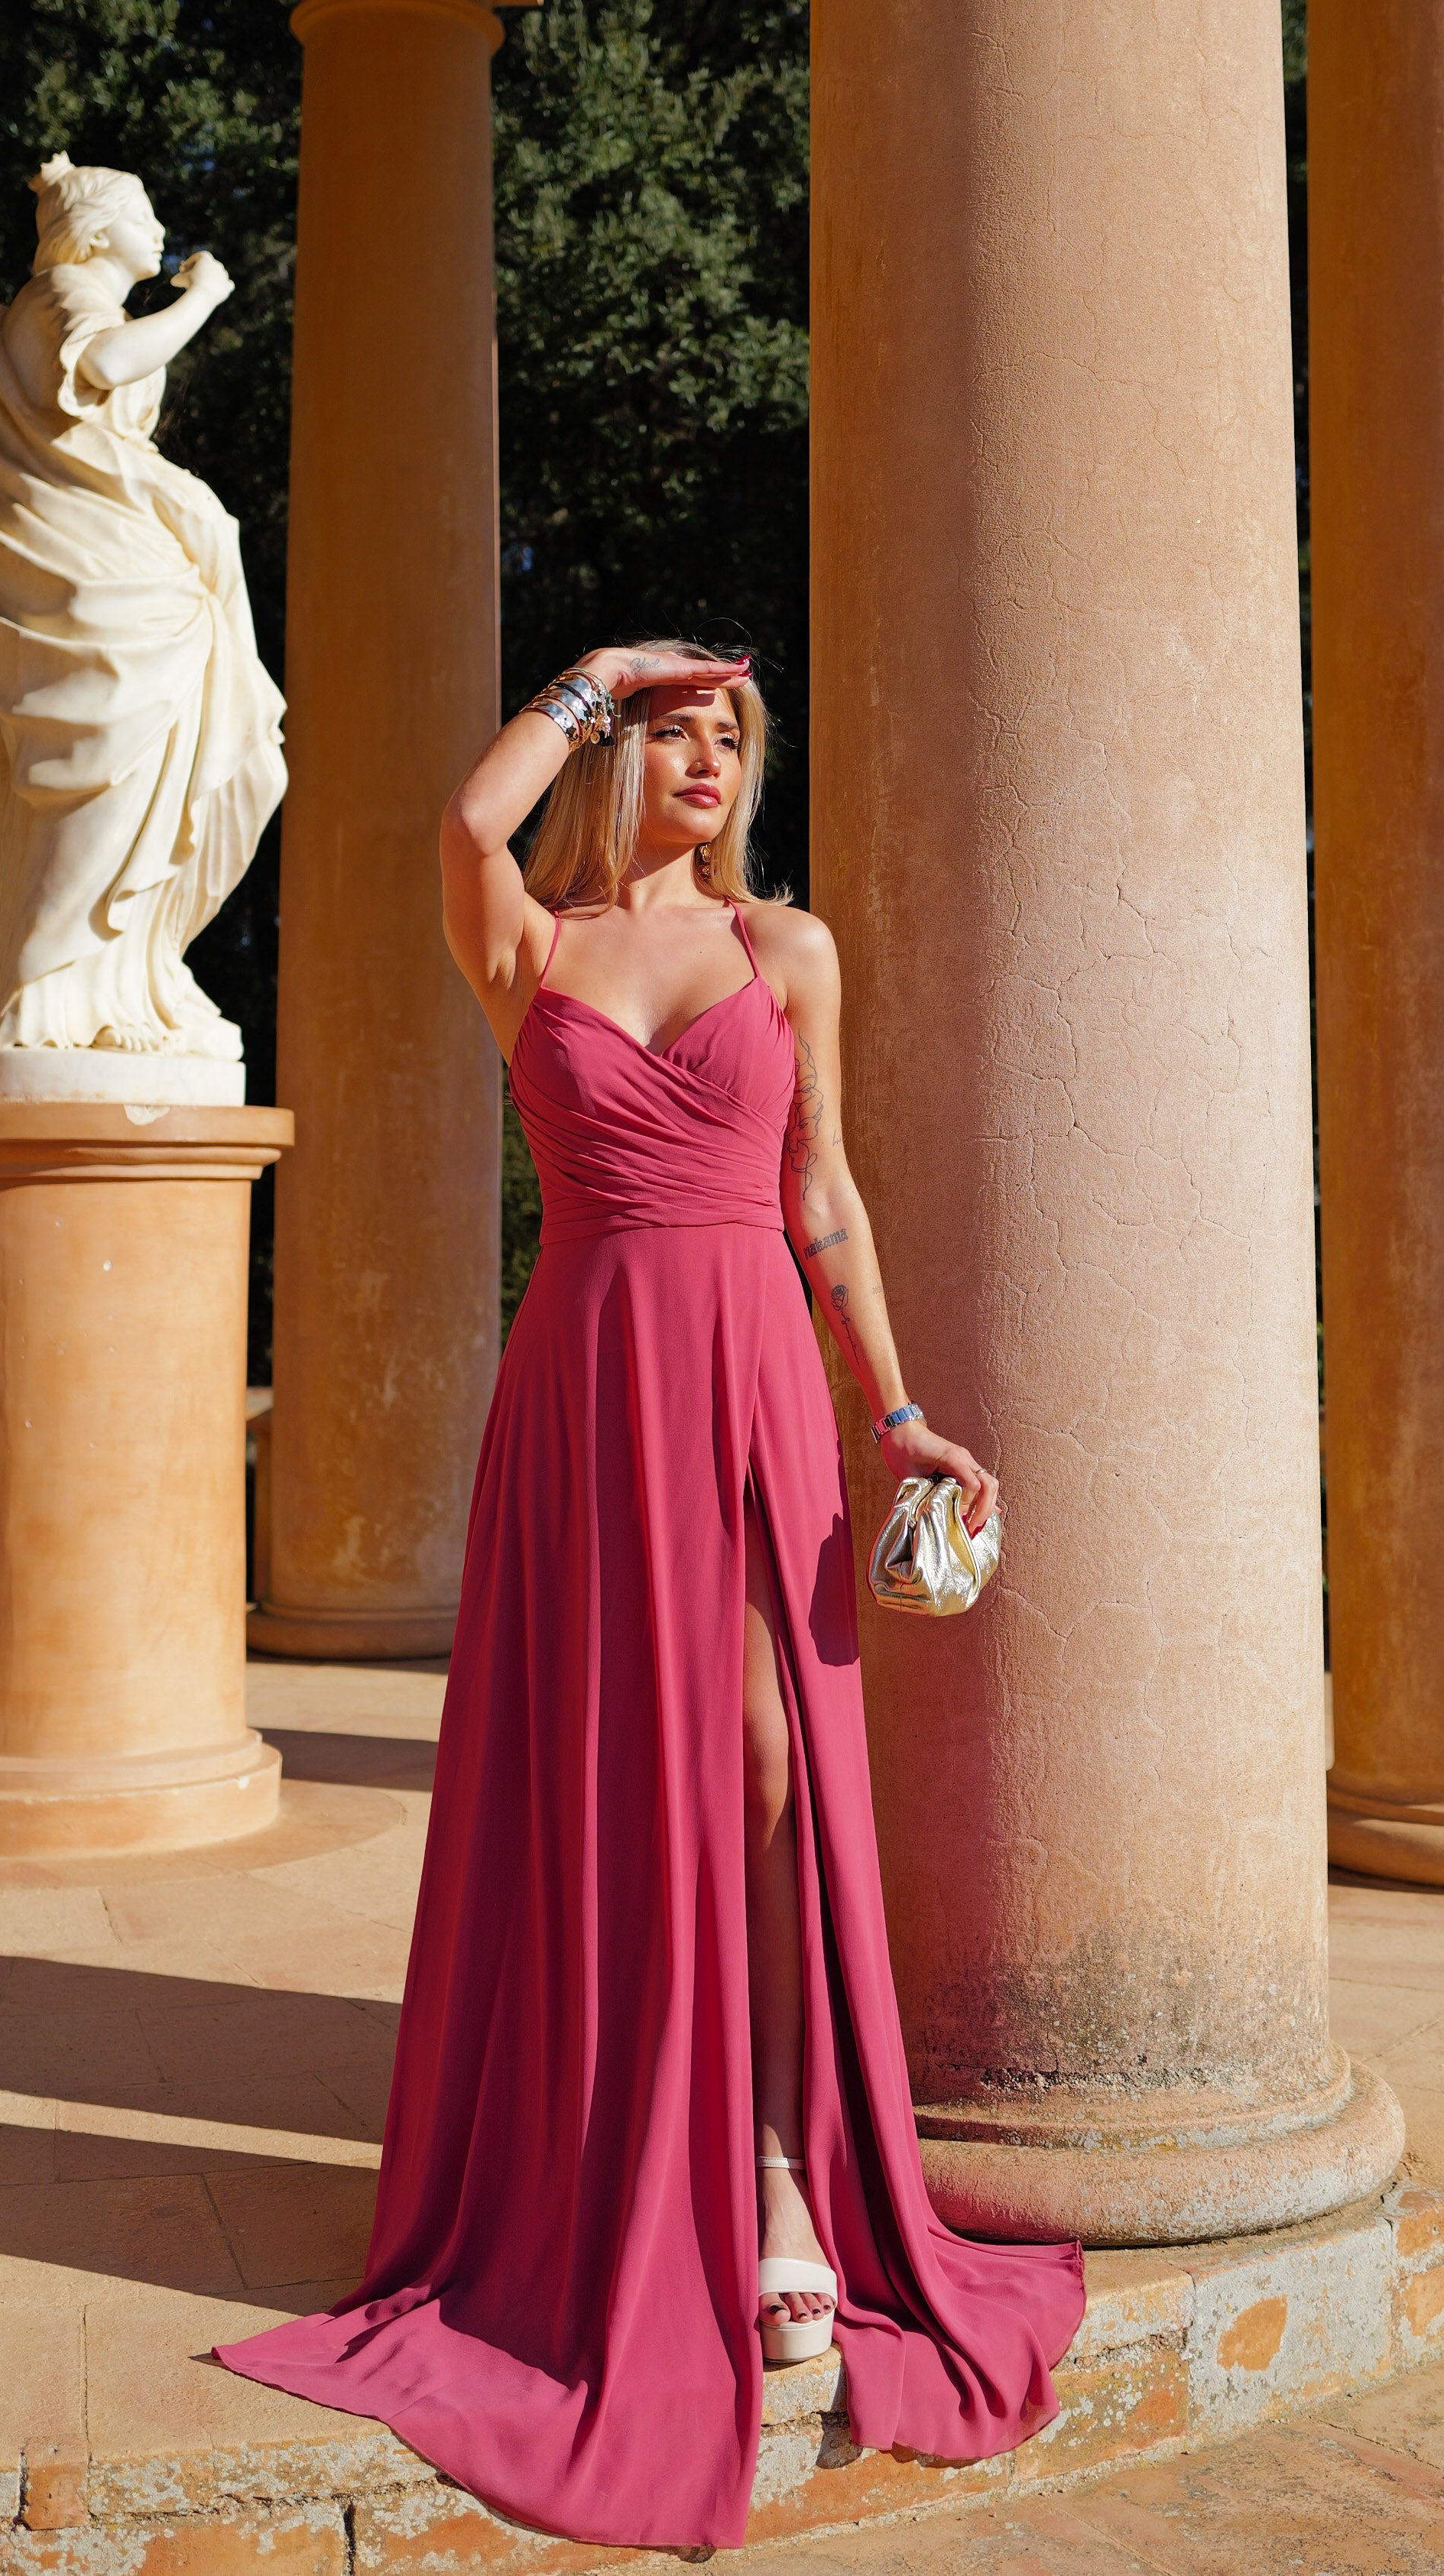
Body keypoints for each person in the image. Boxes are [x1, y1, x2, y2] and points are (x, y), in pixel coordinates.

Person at [216, 643, 1082, 2550]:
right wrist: (590, 680)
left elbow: (823, 1192)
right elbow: (457, 818)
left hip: (754, 1369)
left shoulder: (789, 950)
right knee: (612, 1778)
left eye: (727, 735)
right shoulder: (525, 945)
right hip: (587, 1386)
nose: (707, 756)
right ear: (622, 749)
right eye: (678, 729)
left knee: (770, 1771)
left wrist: (905, 1410)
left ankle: (777, 2170)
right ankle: (613, 2173)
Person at [0, 154, 285, 1059]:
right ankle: (49, 984)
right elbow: (104, 361)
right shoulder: (60, 296)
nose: (160, 232)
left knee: (194, 765)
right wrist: (202, 301)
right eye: (144, 217)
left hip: (127, 561)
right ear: (98, 232)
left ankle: (132, 968)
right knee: (103, 760)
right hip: (90, 583)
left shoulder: (78, 299)